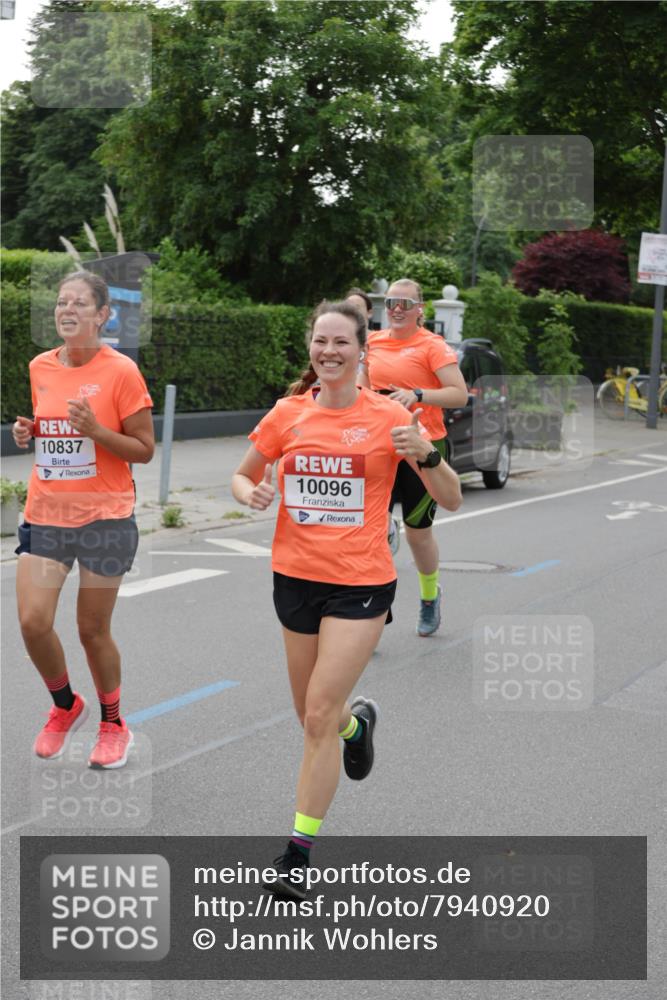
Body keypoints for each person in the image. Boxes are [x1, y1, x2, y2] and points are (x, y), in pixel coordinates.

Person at [232, 301, 461, 898]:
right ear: (310, 347)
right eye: (321, 341)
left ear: (363, 351)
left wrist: (427, 452)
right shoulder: (287, 414)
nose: (329, 351)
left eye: (341, 342)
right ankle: (356, 730)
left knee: (316, 717)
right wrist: (248, 493)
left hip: (361, 583)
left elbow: (452, 497)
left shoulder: (389, 416)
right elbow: (242, 473)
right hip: (294, 580)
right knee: (314, 715)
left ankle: (297, 855)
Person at [12, 271, 154, 769]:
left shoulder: (122, 372)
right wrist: (33, 431)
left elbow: (144, 449)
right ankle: (65, 704)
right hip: (48, 513)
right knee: (32, 622)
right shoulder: (40, 366)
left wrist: (95, 430)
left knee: (91, 629)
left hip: (104, 518)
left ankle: (114, 724)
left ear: (102, 315)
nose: (67, 310)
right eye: (61, 302)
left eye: (79, 303)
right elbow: (54, 427)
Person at [359, 277, 468, 637]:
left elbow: (459, 394)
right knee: (373, 529)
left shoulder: (432, 345)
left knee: (417, 534)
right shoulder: (373, 342)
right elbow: (361, 387)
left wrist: (417, 394)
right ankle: (374, 605)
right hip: (381, 446)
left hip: (423, 444)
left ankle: (429, 596)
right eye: (391, 302)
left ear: (420, 309)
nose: (397, 309)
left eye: (406, 303)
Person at [344, 288, 401, 556]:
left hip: (376, 422)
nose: (352, 312)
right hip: (345, 421)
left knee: (378, 481)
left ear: (369, 313)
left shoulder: (379, 344)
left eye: (358, 307)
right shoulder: (334, 341)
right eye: (348, 306)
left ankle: (383, 529)